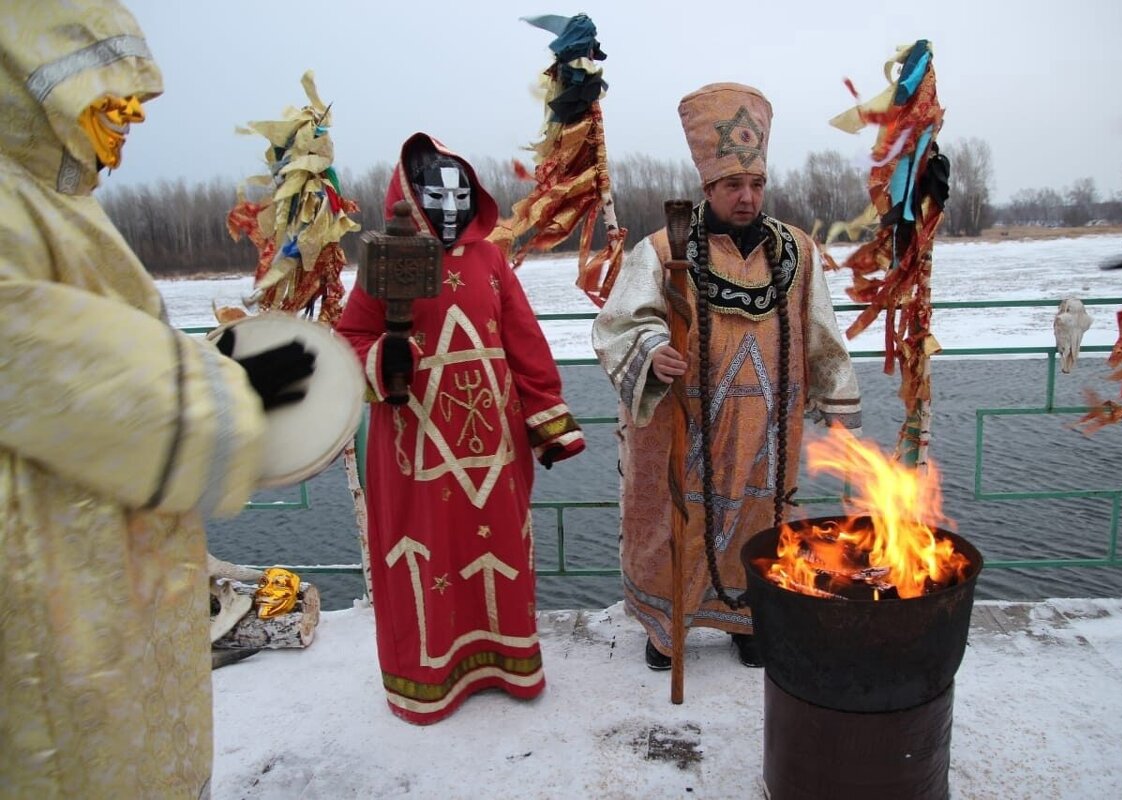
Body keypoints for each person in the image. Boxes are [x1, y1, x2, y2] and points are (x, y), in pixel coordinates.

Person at [0, 2, 315, 797]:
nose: (135, 111)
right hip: (50, 591)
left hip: (102, 562)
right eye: (110, 89)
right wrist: (228, 396)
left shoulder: (54, 203)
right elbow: (47, 361)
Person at [592, 83, 862, 671]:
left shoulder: (798, 253)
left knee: (759, 518)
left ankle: (749, 620)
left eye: (755, 185)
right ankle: (668, 625)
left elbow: (822, 332)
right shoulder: (664, 250)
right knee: (674, 521)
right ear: (708, 188)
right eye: (732, 186)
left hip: (768, 425)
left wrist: (838, 406)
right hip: (682, 424)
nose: (746, 197)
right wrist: (651, 351)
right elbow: (619, 324)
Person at [336, 132, 585, 724]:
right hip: (414, 448)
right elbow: (350, 338)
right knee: (425, 554)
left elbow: (523, 338)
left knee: (499, 549)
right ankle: (427, 679)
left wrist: (546, 417)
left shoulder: (492, 258)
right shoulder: (386, 263)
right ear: (411, 196)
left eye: (460, 197)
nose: (450, 210)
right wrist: (382, 360)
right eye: (436, 198)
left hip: (494, 447)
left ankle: (507, 666)